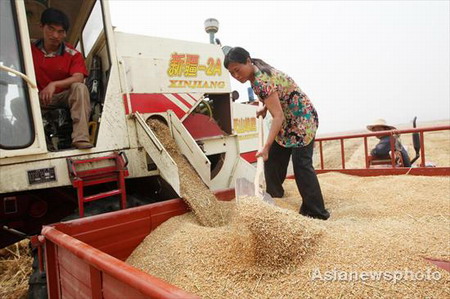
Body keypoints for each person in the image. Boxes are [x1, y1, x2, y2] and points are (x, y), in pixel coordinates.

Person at [225, 47, 330, 220]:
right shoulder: (257, 70)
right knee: (273, 162)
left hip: (302, 120)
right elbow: (278, 93)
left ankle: (317, 212)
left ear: (248, 61)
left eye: (237, 70)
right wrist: (266, 107)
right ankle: (275, 198)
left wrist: (266, 146)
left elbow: (278, 116)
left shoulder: (261, 80)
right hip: (288, 122)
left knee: (301, 166)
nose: (236, 76)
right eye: (231, 73)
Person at [31, 8, 92, 149]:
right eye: (51, 29)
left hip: (63, 97)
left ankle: (81, 137)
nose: (55, 35)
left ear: (65, 33)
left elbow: (79, 77)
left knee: (80, 87)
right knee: (16, 102)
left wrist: (53, 84)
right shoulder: (28, 48)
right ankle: (39, 143)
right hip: (38, 98)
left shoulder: (73, 54)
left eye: (60, 31)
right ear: (42, 27)